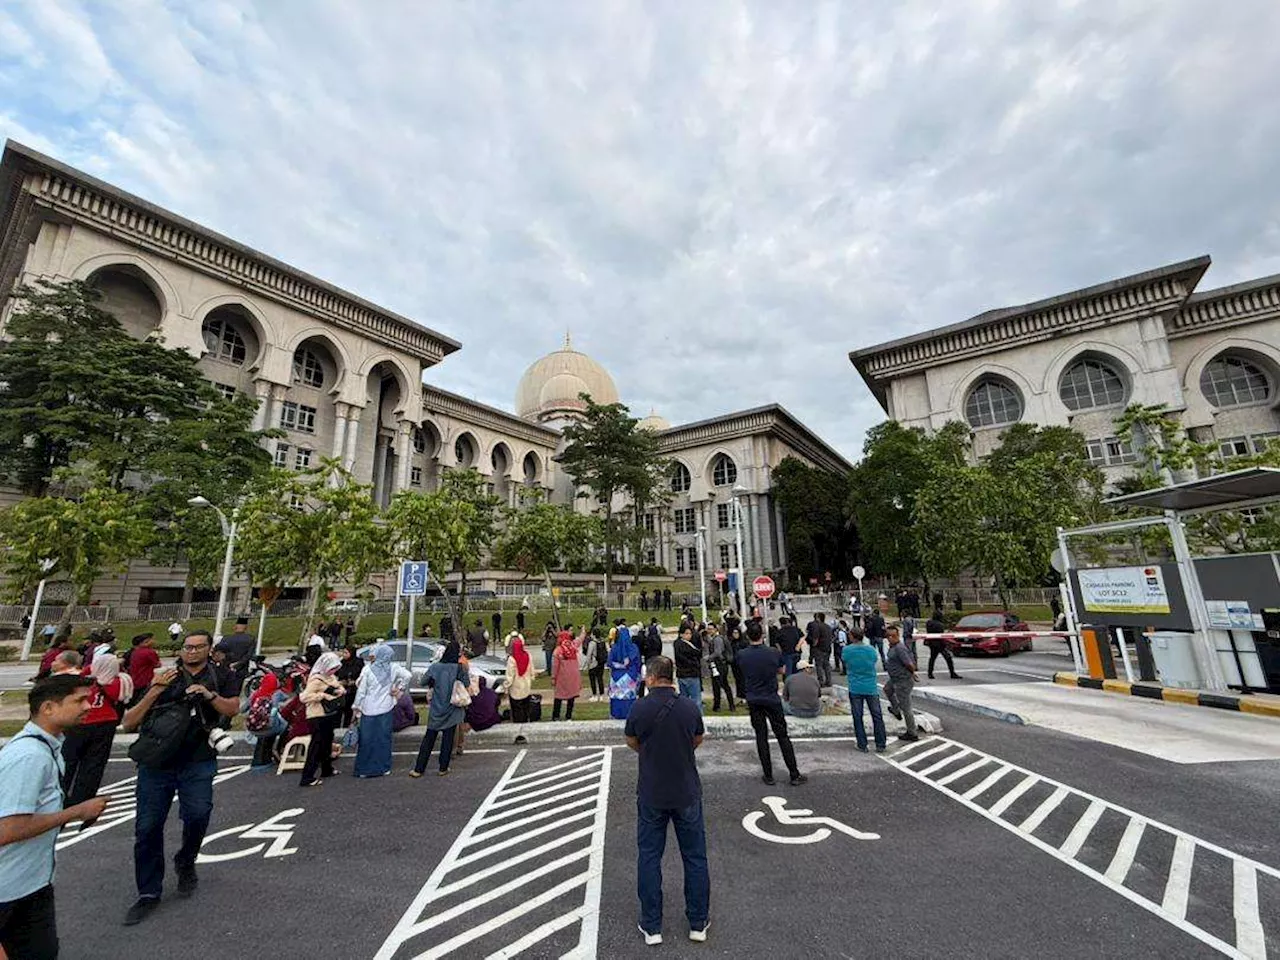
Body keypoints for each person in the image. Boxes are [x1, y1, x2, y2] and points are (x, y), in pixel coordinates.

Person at [120, 630, 240, 925]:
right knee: (147, 827)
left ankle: (186, 860)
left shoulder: (221, 675)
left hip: (197, 761)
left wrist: (208, 695)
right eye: (188, 647)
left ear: (210, 649)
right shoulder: (165, 677)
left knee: (198, 815)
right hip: (157, 763)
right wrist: (154, 690)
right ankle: (148, 892)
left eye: (199, 647)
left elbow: (233, 708)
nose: (192, 652)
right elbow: (129, 722)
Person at [0, 676, 108, 960]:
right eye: (79, 701)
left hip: (30, 885)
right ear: (48, 708)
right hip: (9, 892)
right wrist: (77, 811)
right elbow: (7, 829)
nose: (88, 706)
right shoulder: (29, 756)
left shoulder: (47, 747)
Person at [624, 655, 709, 946]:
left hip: (651, 791)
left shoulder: (640, 707)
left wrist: (651, 753)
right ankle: (698, 922)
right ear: (670, 677)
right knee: (695, 857)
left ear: (650, 677)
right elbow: (697, 738)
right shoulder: (688, 705)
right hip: (686, 790)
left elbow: (632, 740)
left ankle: (652, 926)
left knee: (649, 857)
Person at [736, 622, 806, 786]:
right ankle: (794, 773)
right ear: (762, 635)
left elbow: (741, 670)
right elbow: (781, 670)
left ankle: (768, 775)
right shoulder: (773, 652)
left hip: (754, 698)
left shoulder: (742, 654)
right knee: (782, 736)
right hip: (771, 698)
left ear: (748, 636)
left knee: (761, 737)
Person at [61, 650, 132, 807]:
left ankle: (62, 793)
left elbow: (86, 671)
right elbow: (120, 698)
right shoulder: (117, 682)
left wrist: (92, 667)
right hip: (106, 723)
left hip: (81, 723)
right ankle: (83, 798)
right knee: (94, 763)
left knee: (68, 760)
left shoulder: (84, 681)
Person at [412, 640, 469, 777]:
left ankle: (418, 769)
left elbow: (423, 681)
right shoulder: (459, 668)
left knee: (429, 739)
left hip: (437, 708)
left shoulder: (435, 667)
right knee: (448, 740)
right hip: (452, 708)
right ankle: (443, 767)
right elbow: (466, 683)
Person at [352, 644, 411, 778]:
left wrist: (356, 707)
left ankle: (364, 769)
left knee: (367, 740)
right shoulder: (394, 668)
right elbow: (408, 675)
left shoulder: (367, 669)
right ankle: (383, 767)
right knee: (384, 739)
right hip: (386, 708)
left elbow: (361, 692)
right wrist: (399, 688)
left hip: (368, 709)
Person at [298, 651, 345, 788]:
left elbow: (338, 686)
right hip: (317, 715)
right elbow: (304, 697)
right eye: (332, 668)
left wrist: (340, 690)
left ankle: (327, 768)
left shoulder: (331, 677)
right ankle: (307, 777)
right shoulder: (316, 679)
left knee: (327, 742)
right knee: (316, 745)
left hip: (329, 713)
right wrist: (322, 696)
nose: (334, 671)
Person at [842, 627, 886, 752]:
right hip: (871, 686)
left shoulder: (847, 650)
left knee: (857, 716)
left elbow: (845, 661)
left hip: (855, 686)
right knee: (877, 715)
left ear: (852, 636)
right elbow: (874, 660)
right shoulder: (871, 650)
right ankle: (880, 743)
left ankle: (862, 744)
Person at [884, 626, 920, 742]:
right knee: (887, 690)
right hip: (894, 678)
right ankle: (895, 709)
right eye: (888, 636)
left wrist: (913, 673)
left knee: (906, 707)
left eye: (893, 636)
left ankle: (912, 732)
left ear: (897, 636)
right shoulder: (893, 647)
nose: (890, 638)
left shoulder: (900, 648)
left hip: (902, 680)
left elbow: (909, 664)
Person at [505, 635, 536, 744]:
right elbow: (532, 670)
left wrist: (505, 686)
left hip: (515, 688)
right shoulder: (528, 655)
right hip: (526, 687)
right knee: (525, 710)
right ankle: (526, 731)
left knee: (517, 711)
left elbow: (510, 676)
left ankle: (519, 735)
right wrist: (531, 677)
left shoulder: (512, 659)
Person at [608, 624, 641, 721]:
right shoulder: (634, 648)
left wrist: (619, 666)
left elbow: (609, 662)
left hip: (616, 678)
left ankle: (615, 717)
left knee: (616, 700)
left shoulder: (614, 647)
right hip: (630, 677)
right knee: (629, 700)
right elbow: (638, 663)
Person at [551, 625, 582, 720]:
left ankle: (556, 716)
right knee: (571, 697)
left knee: (558, 697)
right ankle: (568, 716)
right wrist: (583, 631)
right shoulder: (573, 647)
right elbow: (580, 639)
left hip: (562, 677)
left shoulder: (558, 650)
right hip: (573, 677)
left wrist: (553, 677)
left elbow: (555, 666)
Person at [673, 624, 703, 713]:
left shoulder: (678, 644)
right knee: (696, 700)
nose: (689, 635)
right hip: (691, 674)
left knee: (684, 700)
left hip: (682, 674)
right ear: (681, 634)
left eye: (690, 633)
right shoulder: (684, 645)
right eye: (686, 633)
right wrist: (695, 664)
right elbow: (695, 654)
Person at [705, 624, 735, 712]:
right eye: (708, 629)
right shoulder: (716, 638)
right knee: (724, 685)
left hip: (719, 665)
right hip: (720, 664)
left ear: (715, 629)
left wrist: (708, 657)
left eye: (711, 629)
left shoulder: (717, 639)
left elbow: (718, 652)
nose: (709, 631)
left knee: (718, 686)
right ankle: (730, 705)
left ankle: (718, 706)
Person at [124, 633, 160, 705]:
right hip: (145, 682)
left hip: (135, 681)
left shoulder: (135, 651)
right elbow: (158, 665)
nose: (153, 641)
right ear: (146, 642)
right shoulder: (149, 652)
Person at [925, 609, 961, 680]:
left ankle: (930, 673)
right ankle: (952, 673)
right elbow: (941, 635)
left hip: (931, 643)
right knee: (948, 658)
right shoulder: (940, 624)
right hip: (939, 644)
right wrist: (945, 644)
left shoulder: (929, 623)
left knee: (932, 658)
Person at [336, 643, 364, 728]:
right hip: (342, 690)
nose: (344, 655)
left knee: (349, 712)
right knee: (339, 711)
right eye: (343, 653)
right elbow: (338, 673)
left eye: (346, 653)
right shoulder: (342, 662)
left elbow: (359, 675)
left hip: (352, 691)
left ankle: (346, 727)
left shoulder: (358, 662)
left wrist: (351, 682)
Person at [811, 612, 834, 688]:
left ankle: (821, 682)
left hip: (819, 648)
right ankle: (829, 681)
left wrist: (814, 645)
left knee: (819, 666)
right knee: (826, 665)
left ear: (818, 618)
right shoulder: (828, 627)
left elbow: (816, 639)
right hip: (827, 648)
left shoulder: (817, 627)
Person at [585, 629, 608, 702]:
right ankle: (601, 695)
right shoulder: (603, 641)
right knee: (600, 678)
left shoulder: (592, 643)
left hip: (594, 663)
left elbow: (589, 654)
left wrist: (588, 664)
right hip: (601, 663)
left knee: (593, 680)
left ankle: (594, 695)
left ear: (593, 634)